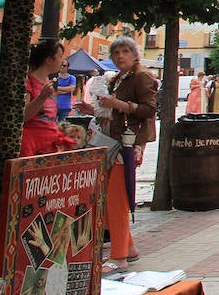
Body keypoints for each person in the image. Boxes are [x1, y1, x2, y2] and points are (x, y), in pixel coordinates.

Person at [74, 35, 158, 272]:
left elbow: (149, 109)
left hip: (127, 145)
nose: (120, 56)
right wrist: (93, 109)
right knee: (111, 200)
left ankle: (119, 256)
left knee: (116, 201)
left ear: (134, 54)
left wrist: (119, 105)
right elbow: (112, 112)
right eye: (116, 53)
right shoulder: (120, 78)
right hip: (115, 142)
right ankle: (128, 248)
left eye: (124, 52)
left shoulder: (141, 76)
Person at [21, 39, 71, 156]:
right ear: (49, 59)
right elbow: (23, 116)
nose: (63, 61)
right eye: (60, 56)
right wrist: (41, 97)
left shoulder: (48, 82)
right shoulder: (28, 82)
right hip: (31, 146)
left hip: (48, 146)